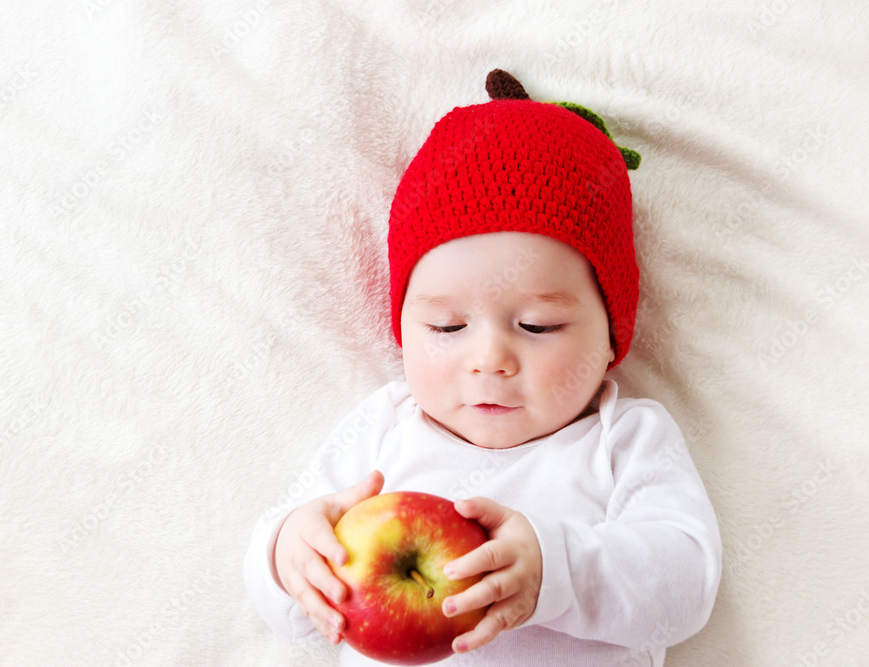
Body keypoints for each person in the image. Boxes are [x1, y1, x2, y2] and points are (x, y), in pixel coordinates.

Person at [244, 69, 721, 666]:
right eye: (447, 328)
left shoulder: (623, 439)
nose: (489, 360)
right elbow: (289, 604)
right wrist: (288, 556)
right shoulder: (383, 429)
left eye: (538, 326)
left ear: (611, 336)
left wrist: (556, 570)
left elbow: (687, 584)